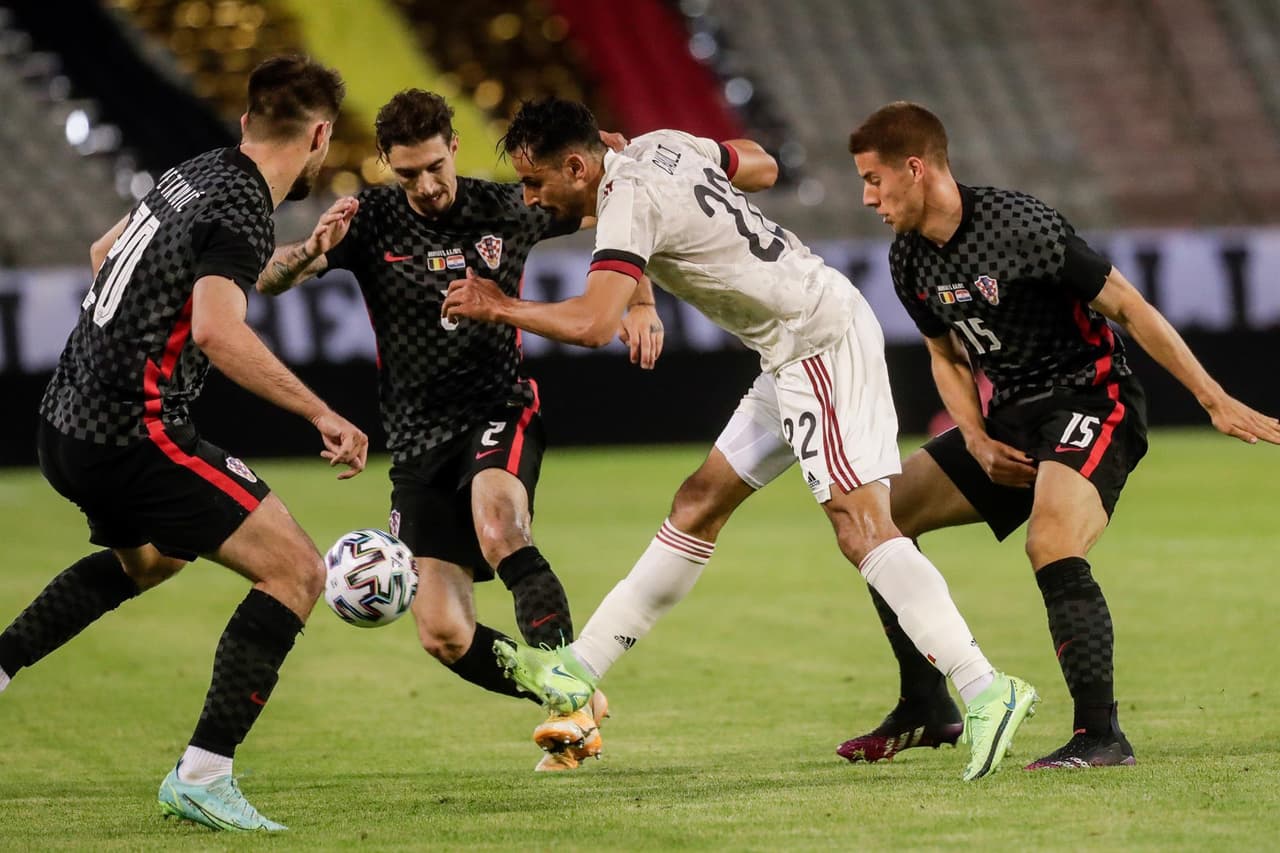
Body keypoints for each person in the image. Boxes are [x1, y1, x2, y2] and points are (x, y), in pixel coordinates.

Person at [442, 97, 1039, 782]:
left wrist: (499, 304)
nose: (530, 198)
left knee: (860, 526)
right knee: (699, 499)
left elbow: (592, 323)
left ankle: (986, 685)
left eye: (536, 182)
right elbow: (758, 164)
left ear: (578, 164)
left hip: (818, 343)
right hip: (788, 349)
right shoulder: (660, 144)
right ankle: (579, 669)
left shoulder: (626, 197)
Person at [833, 101, 1280, 769]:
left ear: (916, 169)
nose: (867, 197)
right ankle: (927, 705)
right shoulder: (909, 260)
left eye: (873, 179)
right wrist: (977, 438)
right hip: (1009, 418)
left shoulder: (1018, 225)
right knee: (878, 517)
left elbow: (1128, 304)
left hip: (1090, 399)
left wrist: (1214, 399)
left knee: (1051, 541)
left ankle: (1101, 734)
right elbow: (946, 356)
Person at [0, 56, 367, 831]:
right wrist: (320, 413)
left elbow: (109, 256)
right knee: (297, 571)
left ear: (245, 123)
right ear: (322, 135)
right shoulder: (242, 201)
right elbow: (215, 326)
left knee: (152, 558)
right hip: (136, 434)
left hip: (64, 419)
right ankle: (204, 773)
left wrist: (298, 260)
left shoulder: (196, 173)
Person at [255, 89, 663, 772]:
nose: (427, 184)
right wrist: (307, 252)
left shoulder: (509, 205)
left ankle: (568, 698)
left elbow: (617, 209)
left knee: (499, 526)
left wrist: (641, 299)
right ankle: (566, 693)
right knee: (444, 632)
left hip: (497, 406)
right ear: (385, 163)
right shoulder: (371, 220)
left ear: (455, 148)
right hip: (416, 442)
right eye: (408, 172)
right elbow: (266, 282)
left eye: (435, 166)